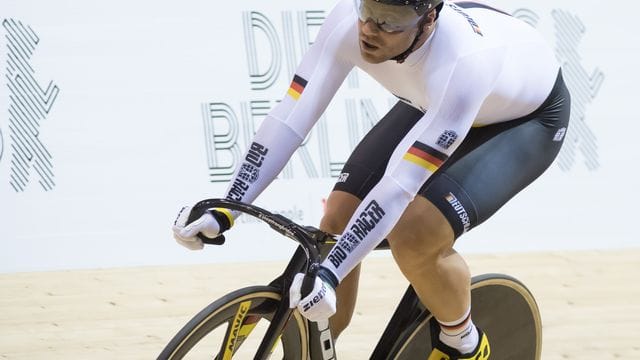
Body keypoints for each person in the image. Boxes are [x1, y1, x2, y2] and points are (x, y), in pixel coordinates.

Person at [173, 0, 570, 358]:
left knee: (415, 236)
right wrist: (228, 206)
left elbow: (399, 185)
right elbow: (291, 118)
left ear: (428, 20)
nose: (371, 28)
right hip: (435, 102)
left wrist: (330, 274)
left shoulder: (463, 64)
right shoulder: (349, 20)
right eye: (368, 9)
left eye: (391, 19)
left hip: (524, 120)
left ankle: (463, 342)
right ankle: (319, 343)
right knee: (337, 223)